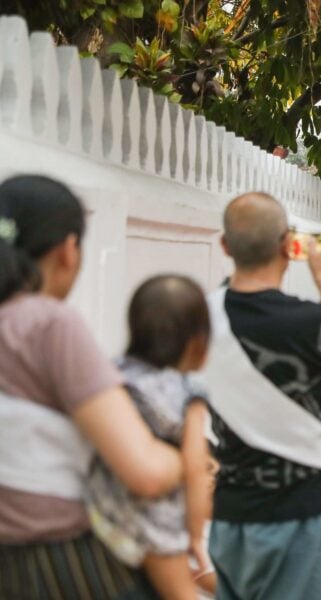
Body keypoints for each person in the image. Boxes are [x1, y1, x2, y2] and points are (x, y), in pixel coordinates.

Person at [0, 175, 183, 598]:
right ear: (68, 250)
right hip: (57, 565)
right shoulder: (47, 324)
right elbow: (146, 472)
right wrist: (184, 461)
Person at [204, 192, 321, 599]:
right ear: (287, 245)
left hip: (230, 509)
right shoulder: (313, 321)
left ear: (225, 246)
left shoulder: (199, 318)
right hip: (301, 506)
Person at [87, 275, 215, 599]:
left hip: (105, 519)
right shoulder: (187, 393)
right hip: (160, 526)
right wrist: (197, 535)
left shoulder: (110, 373)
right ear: (199, 344)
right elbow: (196, 470)